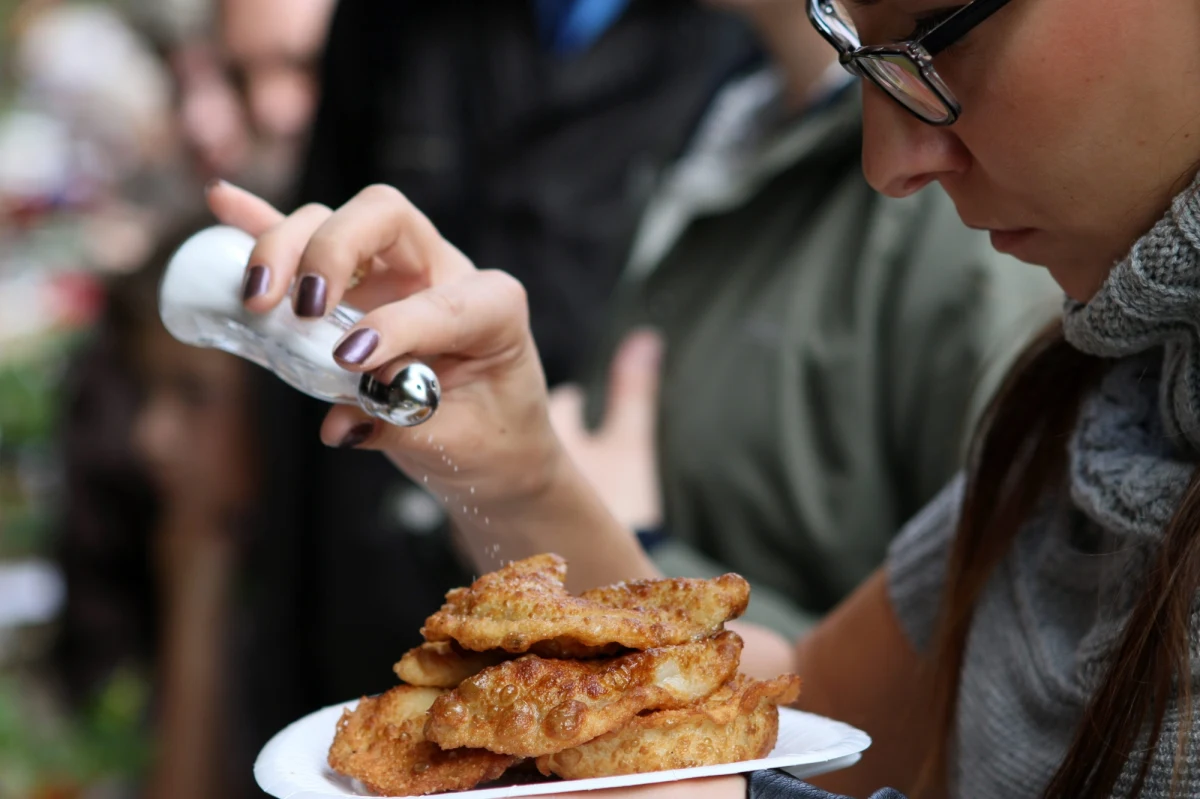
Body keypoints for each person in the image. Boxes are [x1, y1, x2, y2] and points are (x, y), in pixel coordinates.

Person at [206, 0, 1200, 791]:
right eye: (858, 57)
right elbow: (788, 708)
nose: (890, 162)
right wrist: (512, 469)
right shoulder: (1087, 405)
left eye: (937, 34)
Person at [548, 0, 1059, 637]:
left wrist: (625, 549)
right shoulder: (717, 112)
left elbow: (978, 669)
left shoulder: (970, 203)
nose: (890, 161)